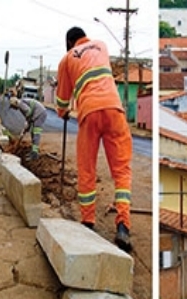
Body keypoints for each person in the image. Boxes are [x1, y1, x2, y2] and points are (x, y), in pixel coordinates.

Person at [56, 27, 133, 252]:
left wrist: (63, 112)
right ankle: (123, 225)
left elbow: (61, 101)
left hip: (89, 112)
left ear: (70, 42)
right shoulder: (102, 46)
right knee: (121, 172)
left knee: (87, 168)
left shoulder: (68, 58)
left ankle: (88, 222)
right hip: (114, 110)